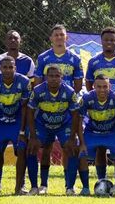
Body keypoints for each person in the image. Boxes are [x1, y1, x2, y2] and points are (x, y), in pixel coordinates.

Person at [33, 24, 83, 188]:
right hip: (47, 107)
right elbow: (38, 82)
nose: (59, 38)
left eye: (62, 35)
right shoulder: (43, 58)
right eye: (56, 35)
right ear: (51, 38)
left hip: (66, 108)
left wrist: (67, 100)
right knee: (45, 147)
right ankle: (43, 185)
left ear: (66, 38)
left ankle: (69, 185)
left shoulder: (75, 58)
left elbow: (78, 85)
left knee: (68, 146)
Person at [85, 27, 115, 181]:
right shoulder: (94, 61)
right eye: (106, 40)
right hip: (100, 107)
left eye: (112, 40)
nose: (109, 42)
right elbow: (89, 84)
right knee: (100, 147)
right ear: (102, 42)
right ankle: (101, 179)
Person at [27, 66, 82, 195]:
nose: (54, 79)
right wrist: (33, 136)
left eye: (57, 76)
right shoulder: (38, 91)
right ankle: (37, 186)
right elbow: (30, 112)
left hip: (63, 125)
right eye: (51, 76)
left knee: (71, 149)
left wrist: (73, 137)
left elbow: (75, 115)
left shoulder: (69, 92)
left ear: (61, 78)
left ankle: (69, 187)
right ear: (46, 77)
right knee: (33, 148)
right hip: (43, 125)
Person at [0, 57, 32, 194]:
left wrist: (23, 131)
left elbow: (25, 107)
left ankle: (18, 187)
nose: (7, 70)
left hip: (17, 122)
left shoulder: (24, 81)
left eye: (11, 67)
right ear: (0, 69)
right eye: (5, 67)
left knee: (22, 150)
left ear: (15, 68)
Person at [78, 75, 115, 194]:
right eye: (99, 87)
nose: (102, 89)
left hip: (112, 132)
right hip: (93, 132)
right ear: (93, 86)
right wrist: (81, 142)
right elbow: (78, 119)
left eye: (105, 86)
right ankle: (85, 188)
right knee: (82, 154)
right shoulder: (86, 98)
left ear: (110, 86)